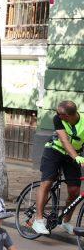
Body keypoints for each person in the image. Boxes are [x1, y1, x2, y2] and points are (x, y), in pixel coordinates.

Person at [32, 100, 84, 235]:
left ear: (70, 116)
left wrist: (76, 156)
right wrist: (77, 157)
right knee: (47, 182)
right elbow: (64, 140)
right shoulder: (58, 119)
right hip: (54, 151)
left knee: (75, 191)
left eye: (60, 114)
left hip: (73, 156)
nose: (57, 115)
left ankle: (65, 222)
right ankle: (38, 221)